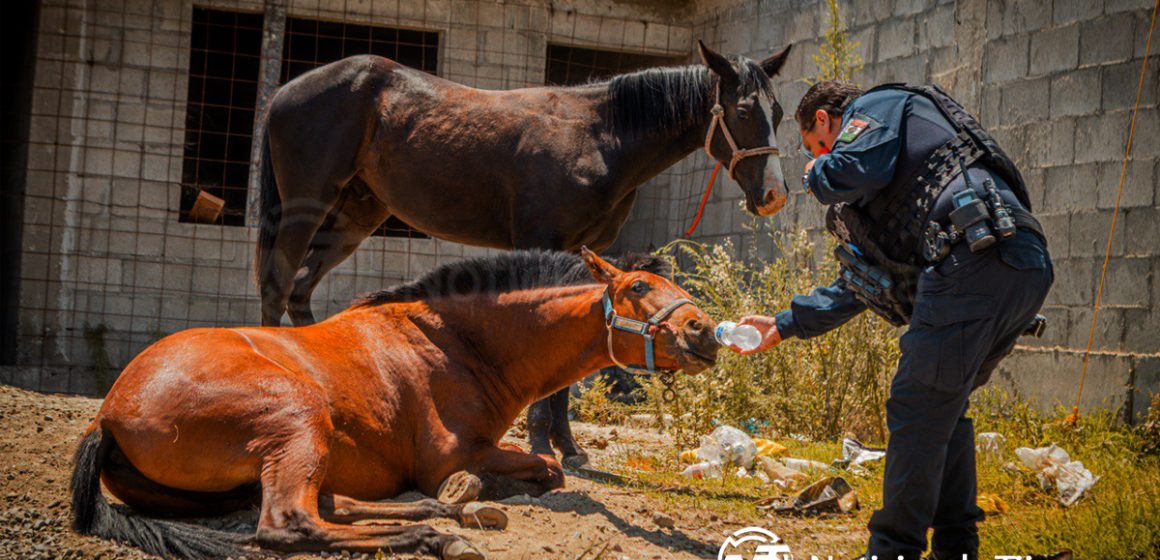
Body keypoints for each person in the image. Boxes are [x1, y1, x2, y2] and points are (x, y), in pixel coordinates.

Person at [730, 81, 1053, 560]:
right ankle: (955, 549)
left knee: (917, 404)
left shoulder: (879, 105)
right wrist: (784, 323)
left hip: (974, 259)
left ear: (824, 119)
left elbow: (851, 169)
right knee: (942, 408)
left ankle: (891, 551)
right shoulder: (905, 171)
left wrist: (818, 172)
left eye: (815, 145)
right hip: (1016, 265)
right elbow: (860, 284)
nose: (818, 155)